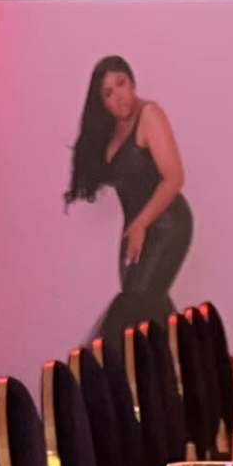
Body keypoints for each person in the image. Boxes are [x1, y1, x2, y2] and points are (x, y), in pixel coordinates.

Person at [68, 54, 190, 344]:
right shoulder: (112, 131)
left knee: (131, 307)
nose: (118, 96)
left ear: (132, 82)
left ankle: (101, 382)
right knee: (150, 312)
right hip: (135, 232)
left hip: (167, 226)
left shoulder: (150, 114)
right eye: (108, 93)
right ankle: (180, 377)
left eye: (120, 83)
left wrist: (140, 226)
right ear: (103, 103)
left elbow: (174, 178)